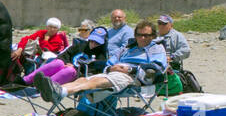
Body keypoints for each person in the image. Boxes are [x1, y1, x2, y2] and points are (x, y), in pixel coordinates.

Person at [34, 20, 166, 103]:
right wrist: (110, 68)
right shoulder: (127, 47)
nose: (142, 38)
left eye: (146, 35)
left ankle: (61, 92)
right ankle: (58, 90)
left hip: (133, 77)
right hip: (114, 72)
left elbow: (156, 69)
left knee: (95, 82)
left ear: (153, 36)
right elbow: (110, 62)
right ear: (135, 35)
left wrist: (131, 69)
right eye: (139, 35)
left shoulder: (156, 48)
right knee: (84, 80)